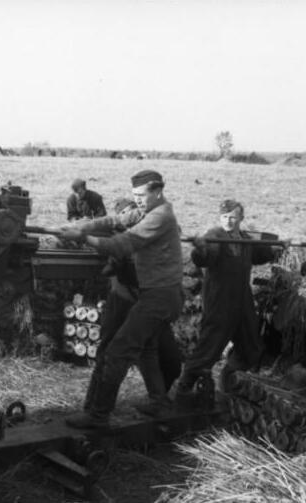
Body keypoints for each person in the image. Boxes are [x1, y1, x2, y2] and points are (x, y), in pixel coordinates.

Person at [59, 170, 183, 429]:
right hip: (157, 294)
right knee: (146, 349)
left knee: (118, 352)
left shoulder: (161, 215)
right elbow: (116, 218)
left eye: (141, 195)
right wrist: (83, 224)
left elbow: (121, 245)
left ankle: (98, 415)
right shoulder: (148, 210)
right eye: (134, 196)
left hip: (160, 297)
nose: (137, 200)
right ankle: (159, 402)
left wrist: (83, 238)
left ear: (157, 191)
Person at [173, 199, 278, 401]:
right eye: (224, 217)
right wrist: (200, 249)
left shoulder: (245, 238)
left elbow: (260, 254)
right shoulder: (214, 236)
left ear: (241, 218)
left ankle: (229, 378)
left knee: (251, 346)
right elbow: (205, 257)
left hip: (242, 300)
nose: (228, 221)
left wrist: (276, 248)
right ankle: (184, 387)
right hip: (219, 300)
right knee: (209, 346)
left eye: (232, 217)